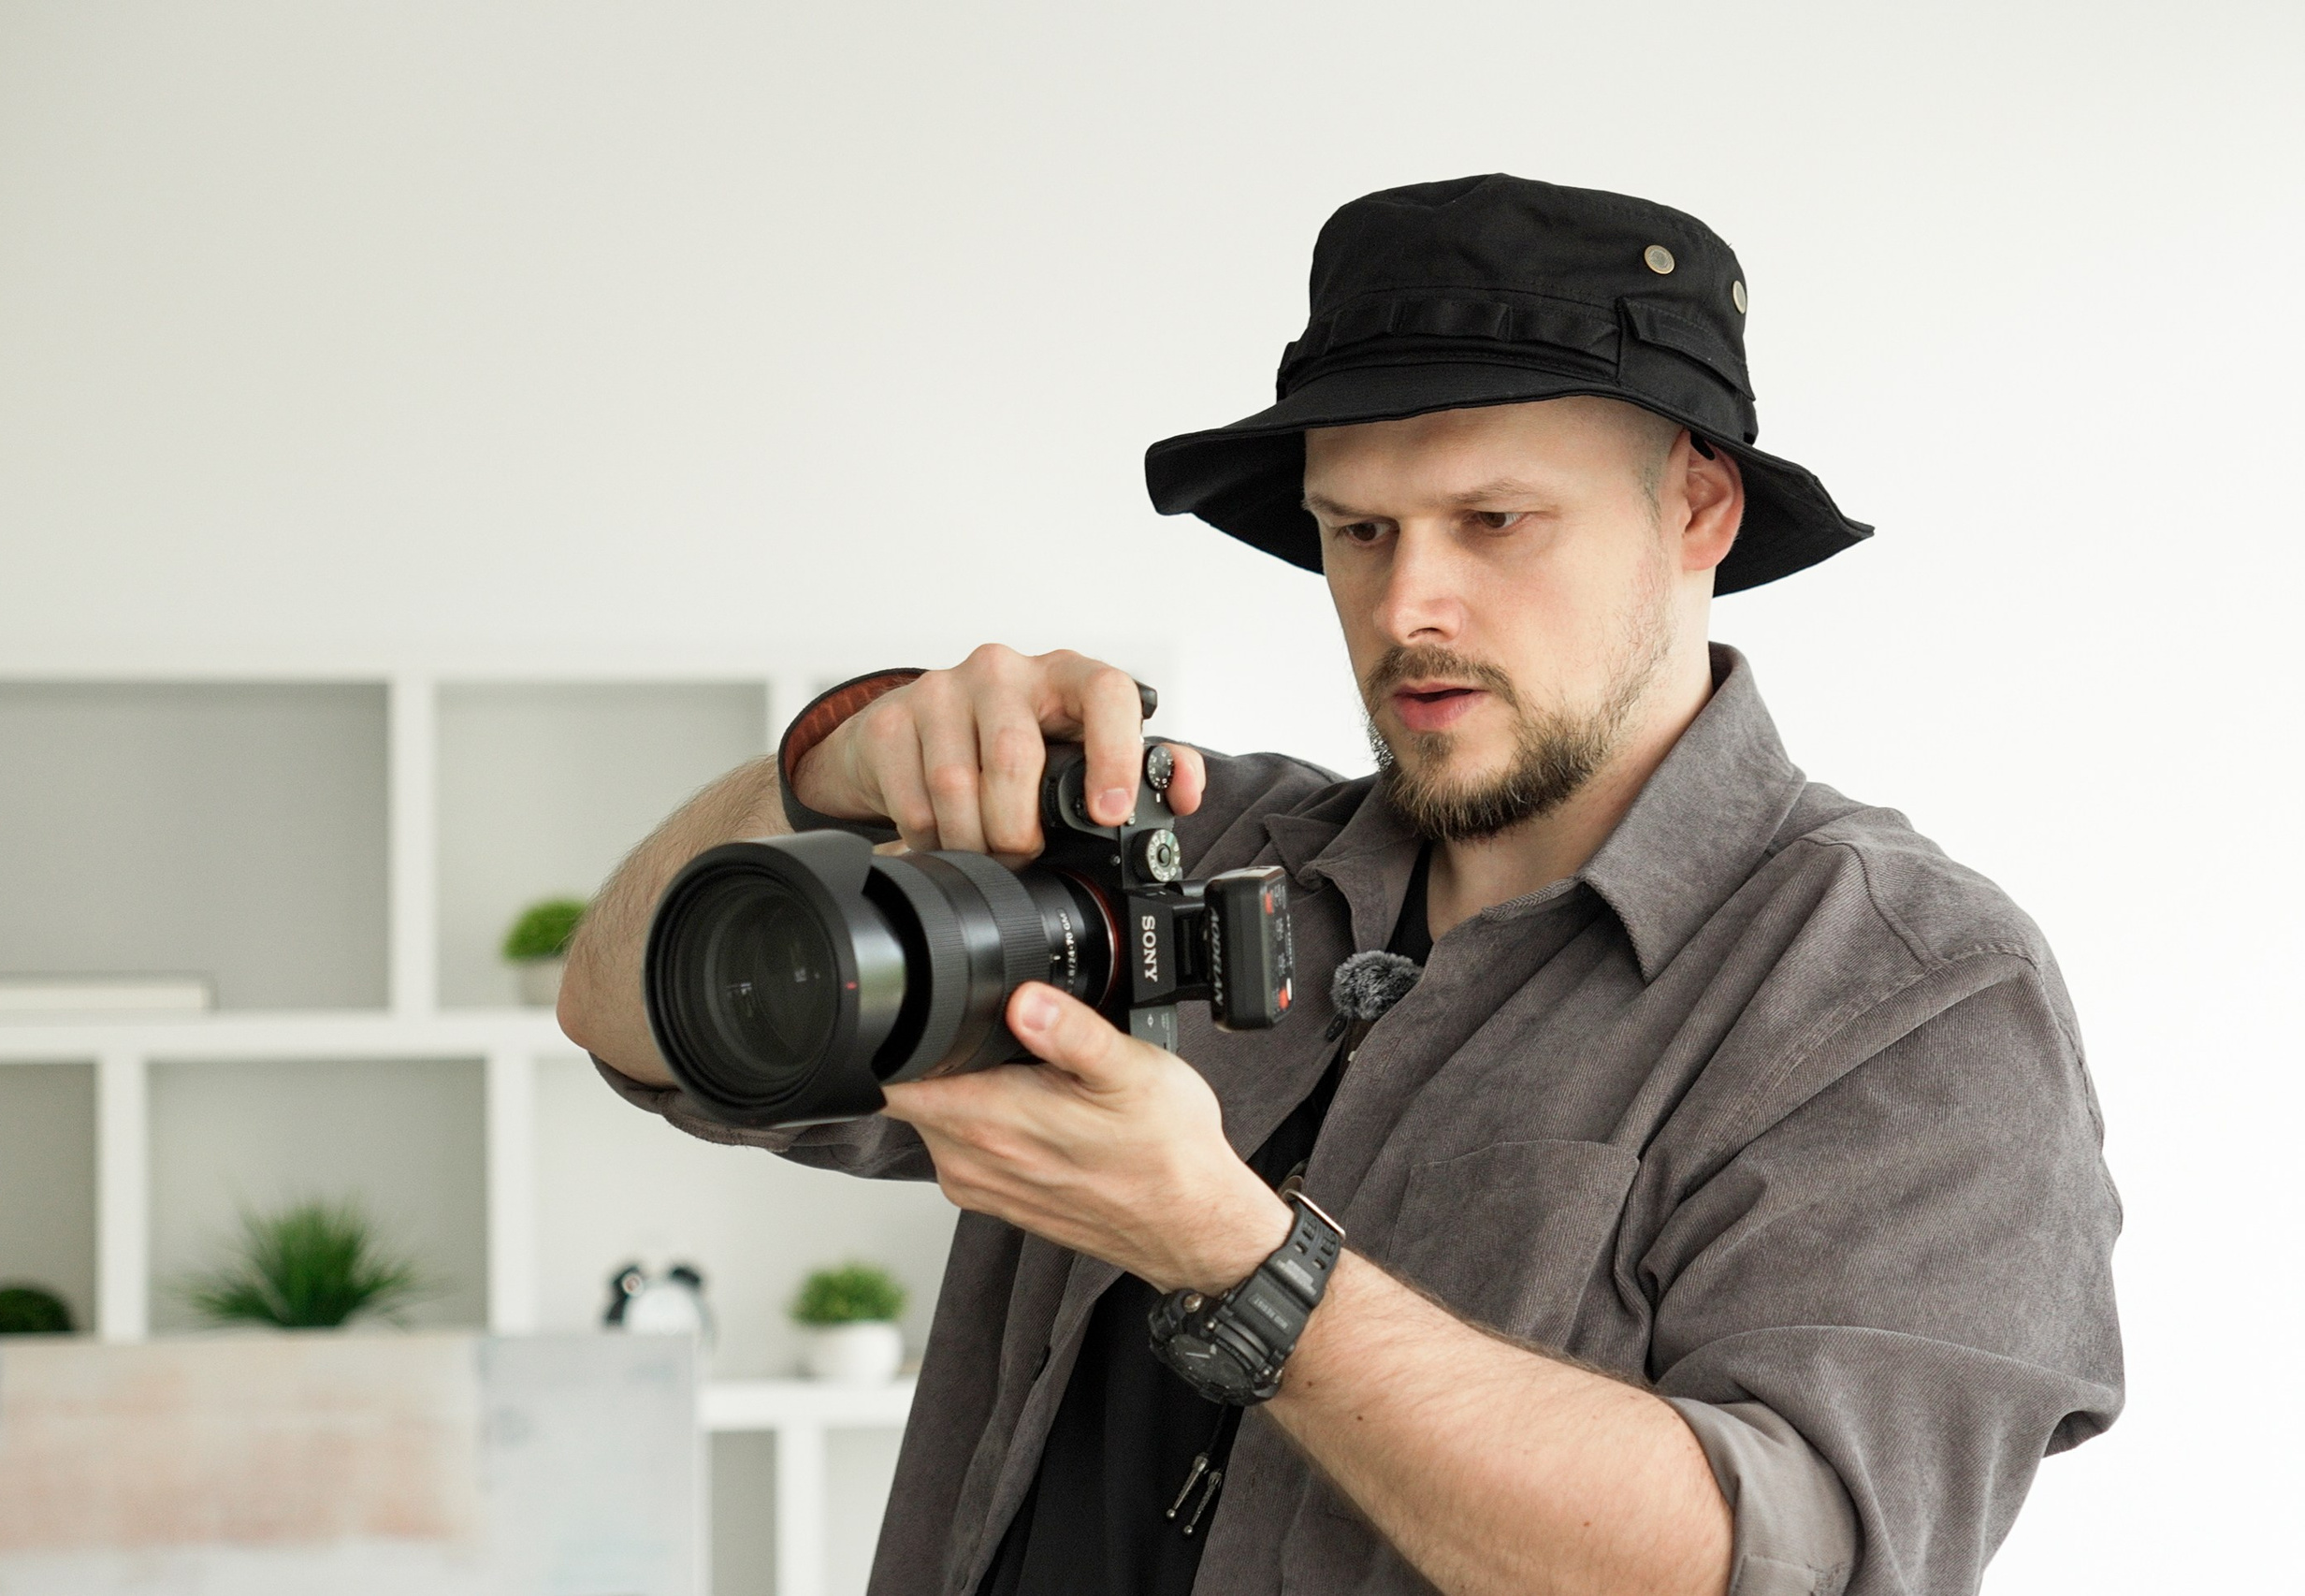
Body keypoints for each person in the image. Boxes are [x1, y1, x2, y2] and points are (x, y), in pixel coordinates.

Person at [561, 173, 2122, 1596]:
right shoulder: (1175, 848)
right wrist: (832, 763)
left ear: (1697, 506)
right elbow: (619, 1008)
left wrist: (1235, 1257)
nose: (1406, 602)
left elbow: (1782, 1562)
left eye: (1493, 521)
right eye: (1355, 531)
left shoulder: (1905, 988)